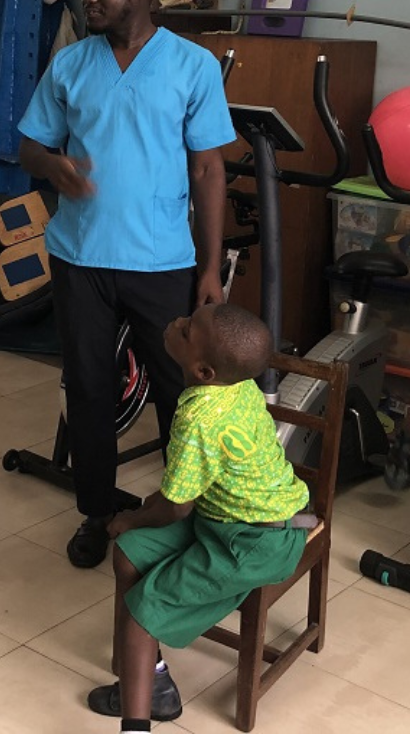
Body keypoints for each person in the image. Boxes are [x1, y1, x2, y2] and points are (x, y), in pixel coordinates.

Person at [18, 0, 234, 568]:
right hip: (79, 259)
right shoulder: (71, 65)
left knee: (180, 393)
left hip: (161, 263)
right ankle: (98, 512)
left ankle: (185, 515)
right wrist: (55, 167)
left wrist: (211, 267)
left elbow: (208, 174)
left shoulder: (190, 66)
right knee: (87, 386)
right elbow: (31, 144)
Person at [87, 303, 312, 730]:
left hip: (257, 542)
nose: (175, 322)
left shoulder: (198, 416)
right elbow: (182, 489)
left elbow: (176, 507)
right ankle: (152, 685)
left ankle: (135, 726)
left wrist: (130, 519)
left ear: (204, 370)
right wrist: (135, 522)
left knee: (140, 614)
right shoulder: (237, 384)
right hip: (225, 518)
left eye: (187, 330)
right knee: (129, 556)